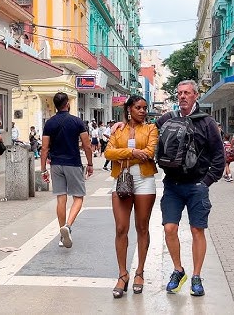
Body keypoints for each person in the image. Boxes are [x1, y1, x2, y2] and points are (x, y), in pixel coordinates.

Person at [155, 80, 224, 297]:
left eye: (187, 93)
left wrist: (206, 182)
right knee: (169, 229)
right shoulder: (168, 118)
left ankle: (196, 276)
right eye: (179, 93)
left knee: (197, 230)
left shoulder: (207, 123)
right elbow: (146, 130)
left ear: (196, 95)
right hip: (172, 186)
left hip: (196, 187)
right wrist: (123, 124)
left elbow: (219, 156)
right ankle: (178, 270)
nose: (182, 96)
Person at [104, 95, 158, 298]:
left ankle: (140, 272)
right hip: (121, 180)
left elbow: (150, 151)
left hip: (145, 180)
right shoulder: (118, 129)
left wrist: (124, 152)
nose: (143, 111)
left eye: (145, 107)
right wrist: (134, 152)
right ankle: (122, 274)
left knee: (142, 227)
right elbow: (108, 153)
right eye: (138, 107)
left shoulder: (151, 128)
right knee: (120, 228)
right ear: (129, 109)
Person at [40, 92, 94, 249]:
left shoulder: (49, 123)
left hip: (56, 164)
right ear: (67, 104)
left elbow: (44, 148)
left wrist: (43, 169)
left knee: (60, 198)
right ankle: (68, 227)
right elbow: (87, 145)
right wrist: (90, 163)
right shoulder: (77, 122)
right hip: (73, 163)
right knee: (78, 197)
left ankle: (61, 233)